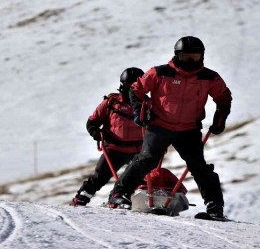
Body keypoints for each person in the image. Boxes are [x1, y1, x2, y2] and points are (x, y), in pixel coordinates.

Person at [107, 36, 232, 218]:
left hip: (189, 129)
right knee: (147, 159)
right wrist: (138, 111)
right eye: (186, 56)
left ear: (202, 56)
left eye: (195, 57)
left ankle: (214, 207)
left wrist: (220, 118)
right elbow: (136, 89)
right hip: (159, 125)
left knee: (198, 166)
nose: (190, 61)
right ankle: (119, 195)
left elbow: (224, 97)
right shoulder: (160, 73)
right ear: (177, 55)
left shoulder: (209, 77)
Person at [70, 67, 146, 206]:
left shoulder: (148, 105)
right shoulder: (111, 103)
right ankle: (81, 198)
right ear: (122, 85)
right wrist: (96, 133)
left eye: (136, 86)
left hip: (137, 150)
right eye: (129, 86)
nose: (132, 90)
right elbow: (92, 122)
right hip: (114, 148)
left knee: (141, 178)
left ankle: (128, 199)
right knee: (100, 177)